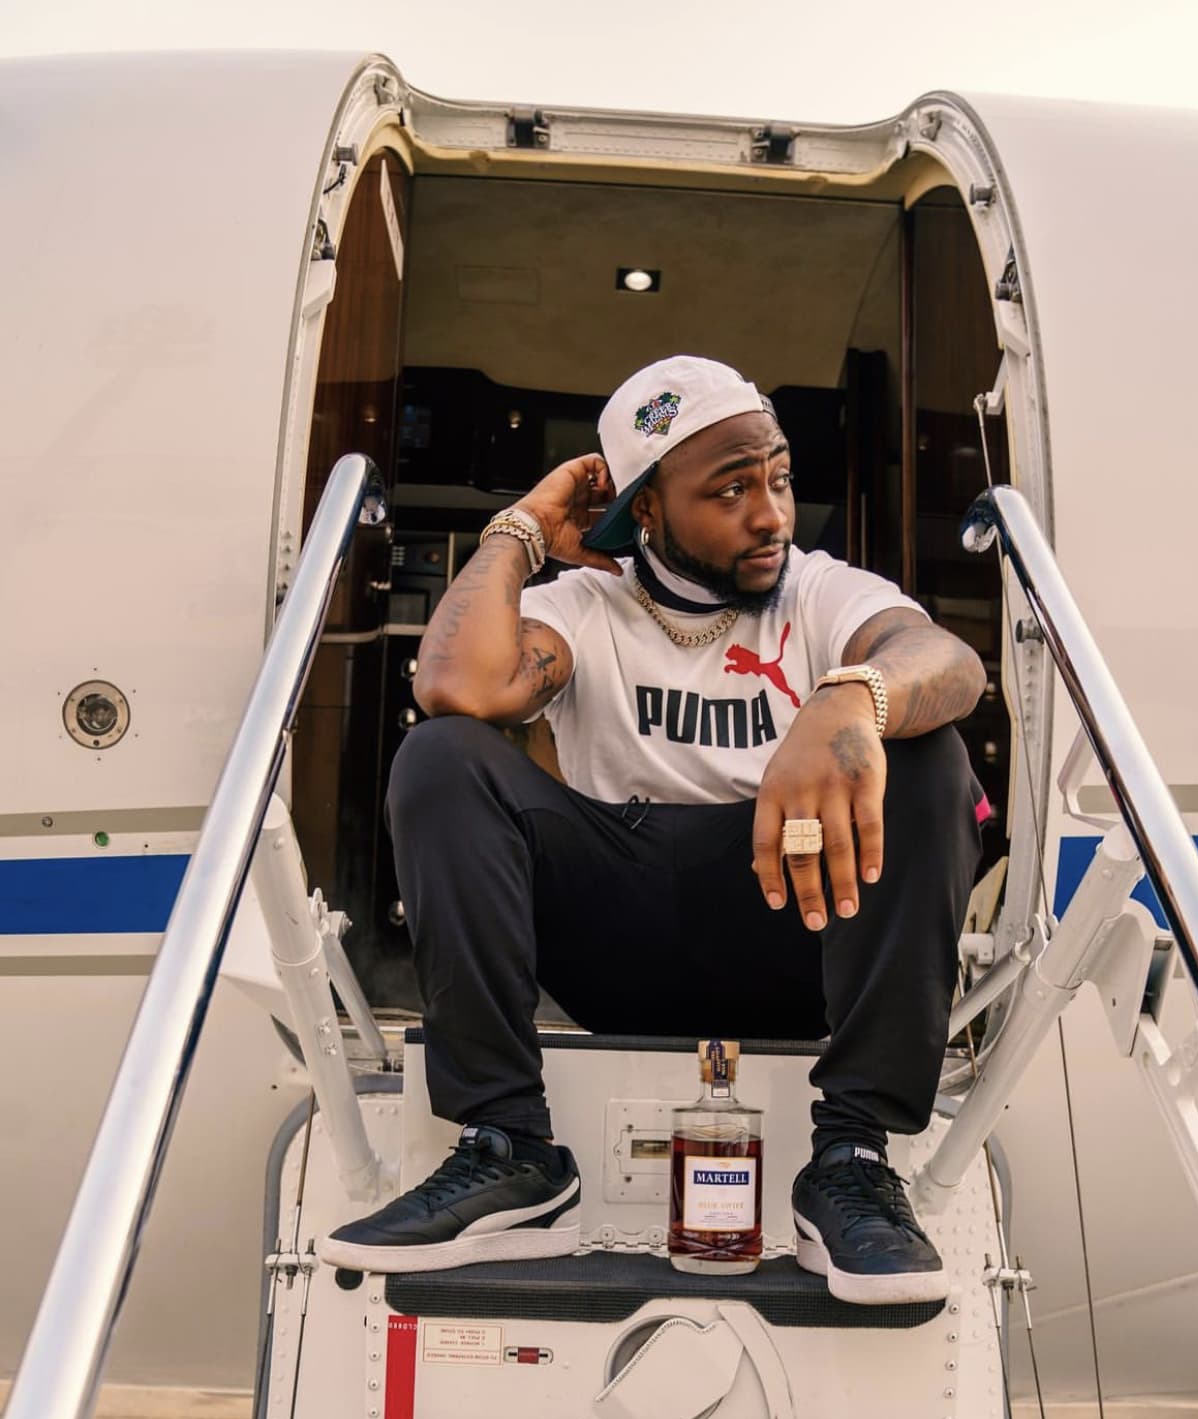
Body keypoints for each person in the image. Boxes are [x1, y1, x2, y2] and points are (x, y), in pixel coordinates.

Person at [321, 356, 986, 1304]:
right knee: (441, 757)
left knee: (927, 754)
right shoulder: (587, 607)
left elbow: (947, 661)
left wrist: (851, 696)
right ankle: (508, 1149)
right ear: (646, 510)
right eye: (731, 491)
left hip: (794, 933)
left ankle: (852, 1158)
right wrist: (521, 528)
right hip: (619, 941)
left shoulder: (817, 592)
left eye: (779, 479)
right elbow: (455, 685)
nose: (772, 515)